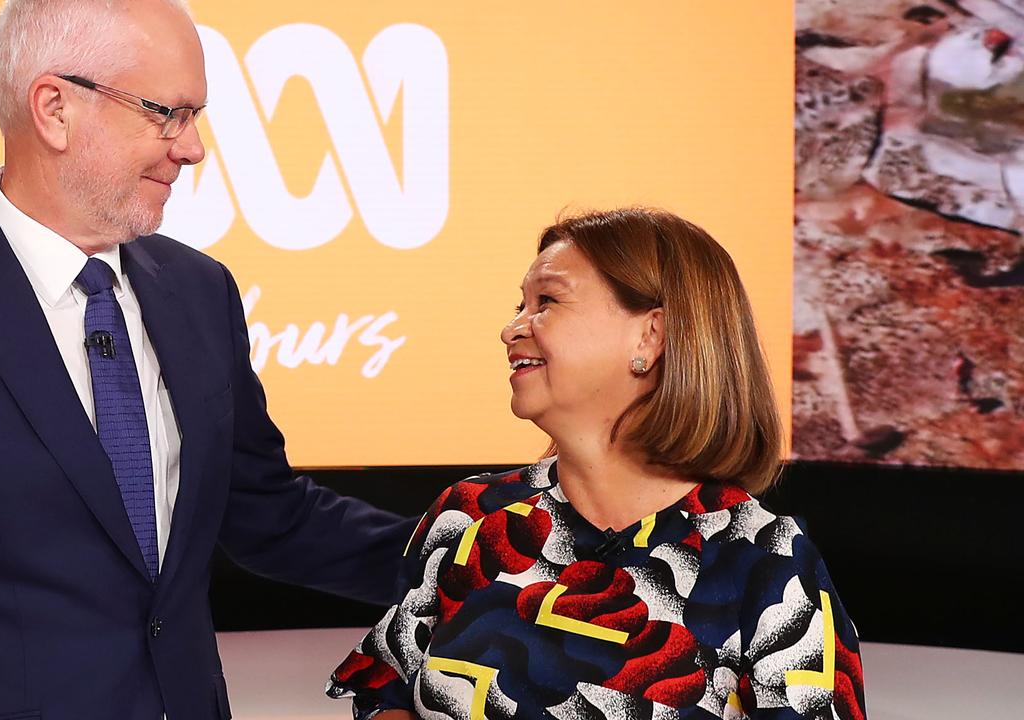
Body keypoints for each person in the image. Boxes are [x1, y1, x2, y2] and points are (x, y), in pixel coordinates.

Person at [0, 1, 411, 718]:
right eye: (166, 113)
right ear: (53, 109)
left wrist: (488, 554)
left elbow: (269, 516)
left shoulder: (201, 293)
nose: (193, 147)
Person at [327, 209, 866, 719]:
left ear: (650, 336)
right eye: (519, 304)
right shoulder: (468, 516)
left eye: (547, 302)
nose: (512, 328)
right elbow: (385, 684)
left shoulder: (767, 561)